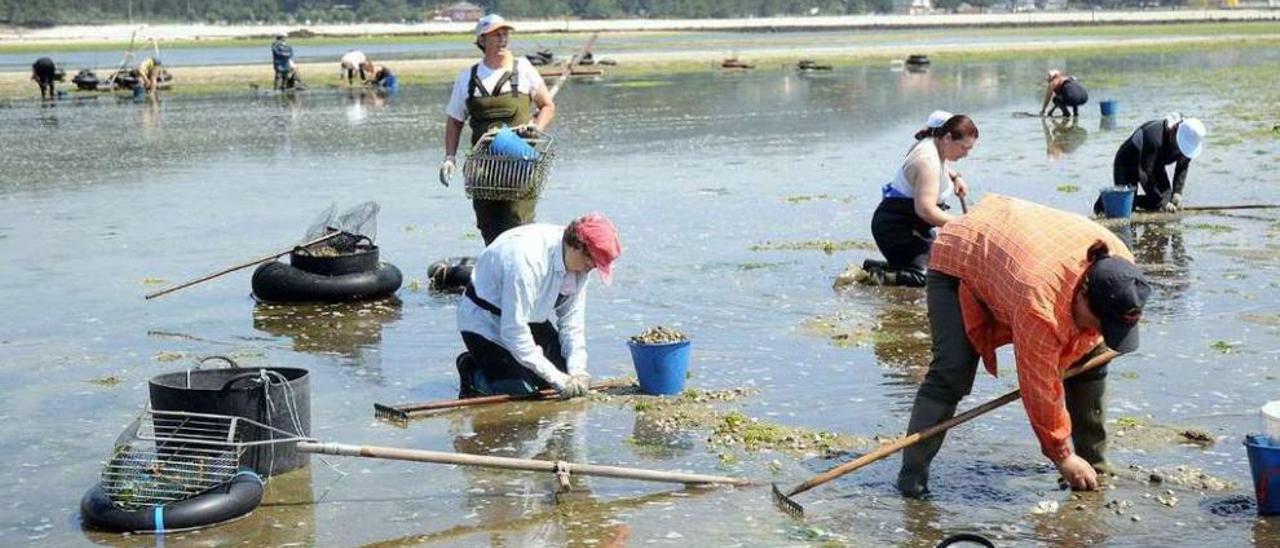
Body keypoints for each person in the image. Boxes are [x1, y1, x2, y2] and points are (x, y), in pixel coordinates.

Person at [896, 195, 1151, 498]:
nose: (1100, 331)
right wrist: (1062, 456)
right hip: (963, 254)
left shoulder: (1121, 267)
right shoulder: (1040, 306)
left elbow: (1098, 328)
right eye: (1100, 323)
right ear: (1083, 296)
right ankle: (912, 478)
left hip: (1017, 250)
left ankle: (1095, 463)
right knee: (951, 373)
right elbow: (1039, 388)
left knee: (1092, 359)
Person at [455, 213, 621, 400]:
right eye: (592, 262)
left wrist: (577, 371)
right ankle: (472, 370)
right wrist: (558, 379)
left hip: (530, 318)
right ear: (576, 247)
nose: (592, 268)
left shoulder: (580, 265)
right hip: (484, 321)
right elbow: (513, 331)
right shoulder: (528, 260)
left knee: (562, 379)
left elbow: (572, 324)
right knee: (524, 397)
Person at [439, 14, 557, 245]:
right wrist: (449, 157)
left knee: (520, 227)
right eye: (496, 35)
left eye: (505, 34)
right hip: (483, 170)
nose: (503, 39)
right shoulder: (467, 78)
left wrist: (535, 127)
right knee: (489, 228)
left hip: (519, 165)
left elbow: (547, 106)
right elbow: (454, 121)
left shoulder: (523, 69)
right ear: (482, 40)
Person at [864, 111, 977, 287]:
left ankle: (881, 267)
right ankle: (874, 277)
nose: (966, 154)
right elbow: (926, 210)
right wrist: (964, 224)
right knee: (928, 278)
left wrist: (956, 177)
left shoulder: (932, 144)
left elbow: (942, 165)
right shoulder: (927, 161)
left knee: (944, 267)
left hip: (913, 225)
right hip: (896, 228)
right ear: (947, 137)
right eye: (964, 148)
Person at [1093, 114, 1206, 214]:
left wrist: (1177, 192)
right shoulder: (1154, 136)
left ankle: (1136, 202)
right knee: (1128, 209)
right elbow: (1145, 174)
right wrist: (1161, 202)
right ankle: (1105, 202)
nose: (1180, 151)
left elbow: (1182, 166)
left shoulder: (1189, 141)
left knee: (1164, 201)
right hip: (1127, 163)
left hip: (1155, 165)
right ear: (1175, 130)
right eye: (1179, 147)